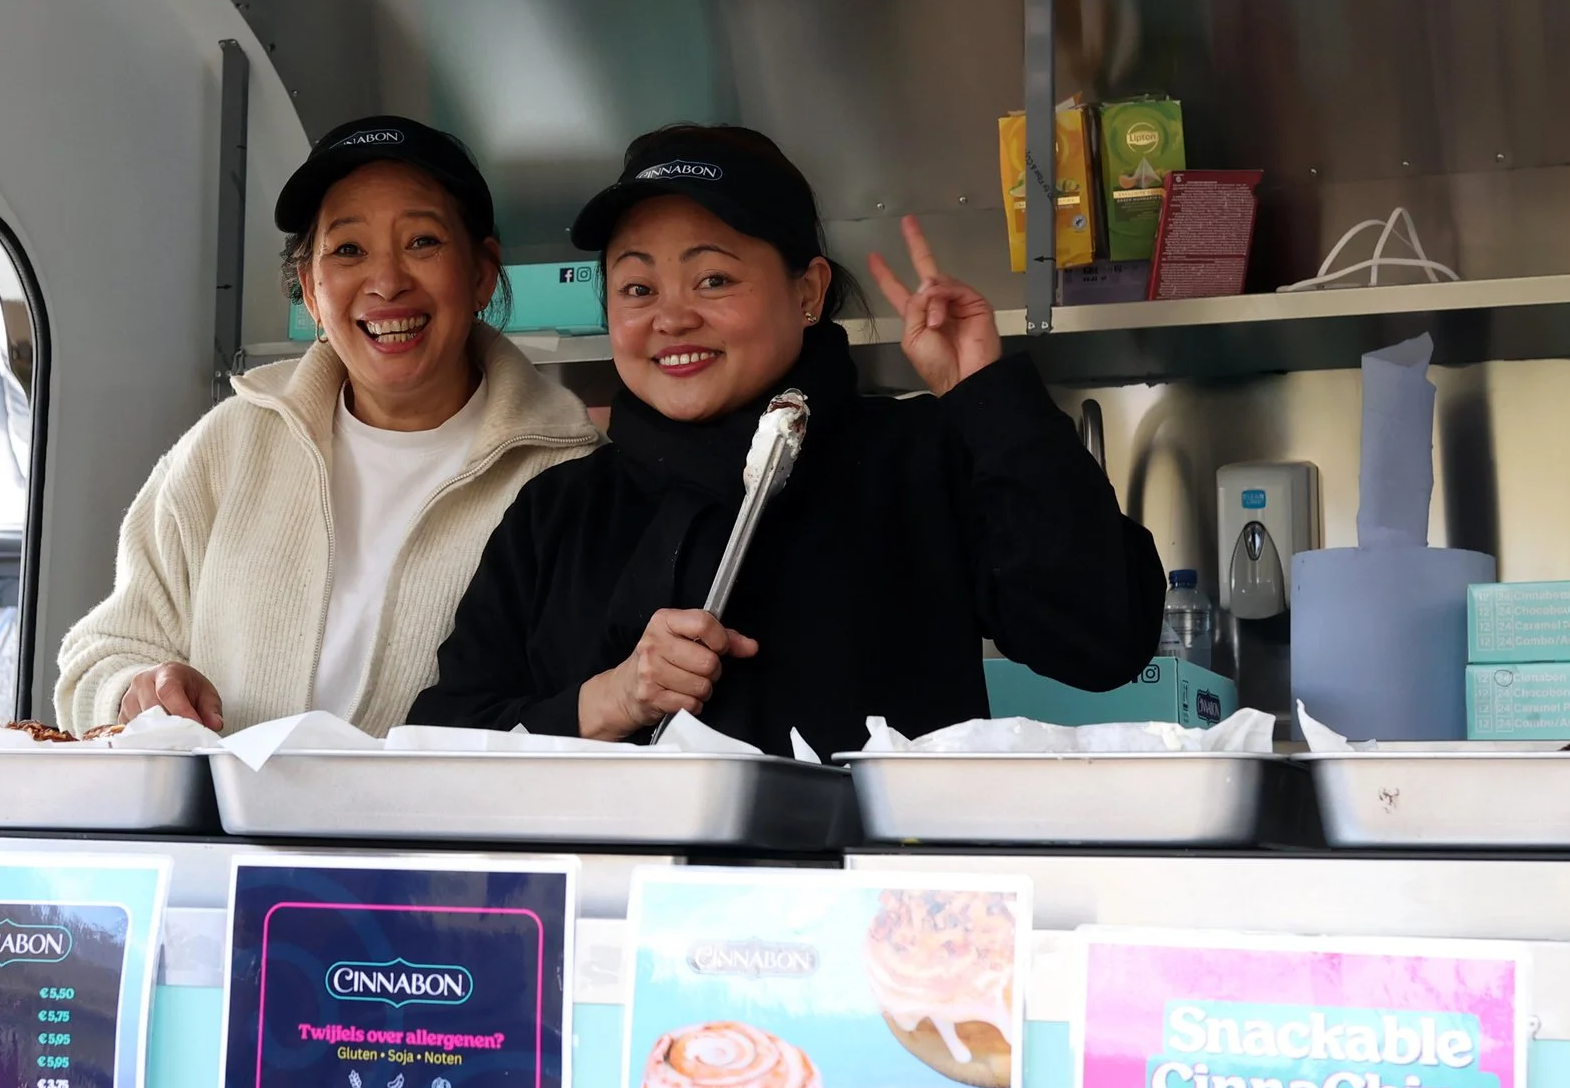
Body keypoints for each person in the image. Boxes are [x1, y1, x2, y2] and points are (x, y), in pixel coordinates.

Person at [408, 123, 1163, 757]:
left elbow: (1101, 637)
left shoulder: (917, 458)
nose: (671, 318)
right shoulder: (560, 512)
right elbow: (440, 751)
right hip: (618, 927)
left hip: (879, 922)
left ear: (807, 292)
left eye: (712, 280)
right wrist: (608, 699)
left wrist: (988, 400)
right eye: (638, 288)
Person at [54, 116, 599, 735]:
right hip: (230, 831)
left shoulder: (571, 474)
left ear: (480, 273)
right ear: (311, 292)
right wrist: (134, 691)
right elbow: (99, 657)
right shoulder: (229, 445)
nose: (387, 281)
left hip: (445, 834)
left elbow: (582, 718)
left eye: (423, 241)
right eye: (347, 250)